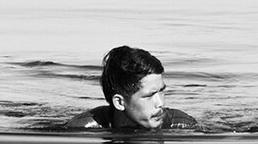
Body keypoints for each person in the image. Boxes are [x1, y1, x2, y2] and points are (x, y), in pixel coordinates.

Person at [66, 46, 198, 130]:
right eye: (149, 96)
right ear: (119, 102)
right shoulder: (80, 129)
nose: (160, 103)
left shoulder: (183, 125)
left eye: (161, 91)